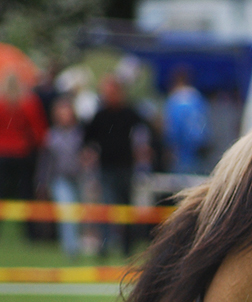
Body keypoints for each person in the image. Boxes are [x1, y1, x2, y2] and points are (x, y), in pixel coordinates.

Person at [83, 74, 149, 257]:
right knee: (106, 207)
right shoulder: (100, 115)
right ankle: (103, 247)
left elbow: (145, 133)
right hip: (106, 168)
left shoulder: (129, 113)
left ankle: (127, 247)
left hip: (126, 167)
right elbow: (87, 139)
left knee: (126, 208)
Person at [0, 71, 49, 241]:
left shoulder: (2, 102)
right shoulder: (28, 102)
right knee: (26, 193)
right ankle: (30, 233)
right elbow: (38, 129)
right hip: (22, 152)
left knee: (2, 194)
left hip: (3, 154)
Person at [37, 96, 83, 258]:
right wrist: (42, 183)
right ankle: (71, 250)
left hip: (79, 178)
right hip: (59, 178)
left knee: (80, 213)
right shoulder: (51, 136)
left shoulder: (80, 133)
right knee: (67, 212)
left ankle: (80, 244)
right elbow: (45, 162)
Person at [163, 66, 210, 175]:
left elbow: (172, 130)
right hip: (199, 151)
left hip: (181, 153)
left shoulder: (174, 100)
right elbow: (206, 126)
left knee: (181, 185)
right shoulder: (198, 98)